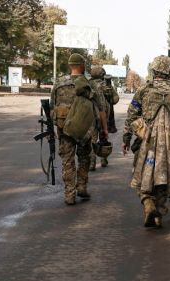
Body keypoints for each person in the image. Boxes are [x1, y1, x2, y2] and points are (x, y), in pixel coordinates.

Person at [123, 55, 170, 228]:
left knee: (141, 172)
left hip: (146, 141)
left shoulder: (144, 90)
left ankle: (147, 203)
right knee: (165, 176)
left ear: (154, 70)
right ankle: (159, 213)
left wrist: (127, 138)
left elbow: (132, 114)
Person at [50, 53, 108, 205]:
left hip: (64, 130)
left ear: (70, 65)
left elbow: (51, 106)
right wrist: (104, 129)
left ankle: (69, 194)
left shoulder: (59, 82)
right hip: (84, 129)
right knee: (84, 158)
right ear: (82, 66)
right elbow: (101, 108)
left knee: (67, 161)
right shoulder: (90, 83)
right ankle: (81, 186)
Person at [88, 66, 110, 169]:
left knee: (92, 139)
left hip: (90, 116)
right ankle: (103, 159)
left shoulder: (87, 84)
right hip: (103, 115)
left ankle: (92, 162)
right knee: (103, 136)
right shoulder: (105, 84)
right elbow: (115, 99)